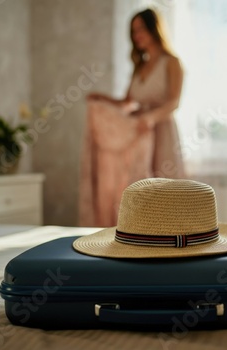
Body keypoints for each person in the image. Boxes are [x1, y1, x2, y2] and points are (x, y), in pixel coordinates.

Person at [79, 8, 185, 227]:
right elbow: (127, 103)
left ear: (153, 29)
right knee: (139, 188)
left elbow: (174, 102)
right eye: (133, 31)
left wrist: (150, 119)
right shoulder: (140, 67)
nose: (136, 35)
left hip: (160, 130)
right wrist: (104, 99)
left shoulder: (172, 62)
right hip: (138, 134)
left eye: (140, 29)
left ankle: (169, 241)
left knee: (163, 186)